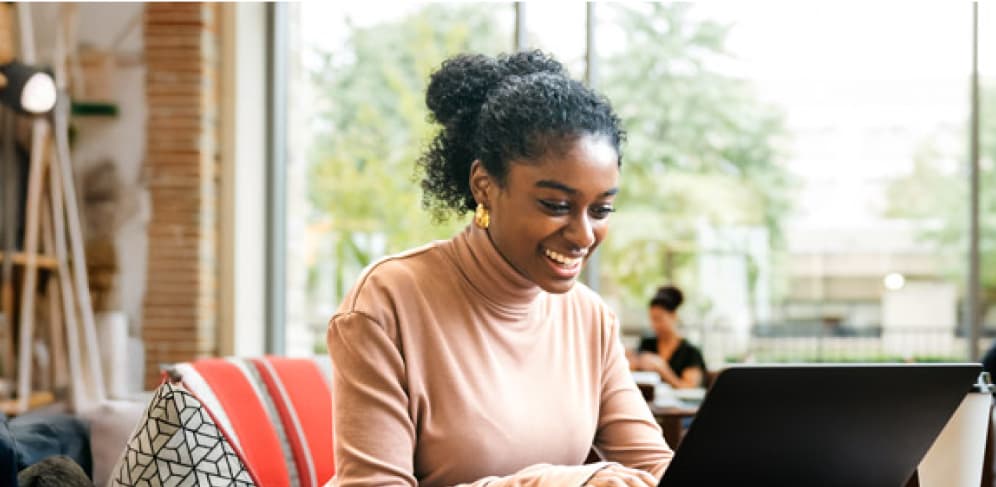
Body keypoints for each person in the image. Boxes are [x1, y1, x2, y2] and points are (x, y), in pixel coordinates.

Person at [326, 50, 672, 487]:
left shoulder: (590, 318)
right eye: (556, 205)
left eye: (601, 209)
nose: (584, 235)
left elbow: (654, 466)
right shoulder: (387, 302)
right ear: (484, 187)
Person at [631, 286, 707, 389]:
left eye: (659, 319)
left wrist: (663, 370)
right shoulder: (647, 344)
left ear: (674, 316)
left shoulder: (691, 352)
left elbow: (689, 388)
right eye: (652, 319)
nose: (654, 325)